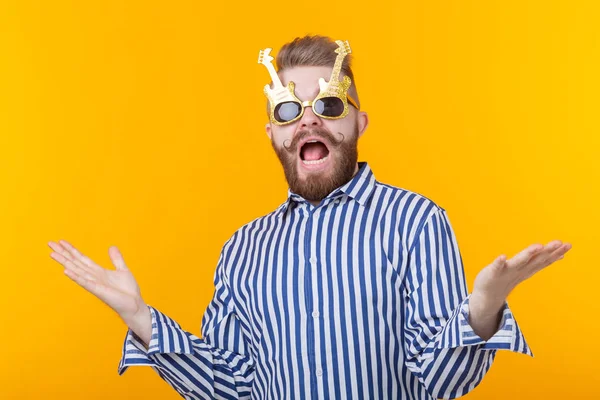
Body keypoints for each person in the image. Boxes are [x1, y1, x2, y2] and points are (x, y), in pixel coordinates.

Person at [48, 35, 572, 399]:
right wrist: (142, 321)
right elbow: (229, 386)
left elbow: (441, 381)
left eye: (328, 106)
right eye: (288, 111)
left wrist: (482, 309)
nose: (307, 121)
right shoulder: (243, 249)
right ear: (273, 135)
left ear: (358, 123)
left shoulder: (416, 221)